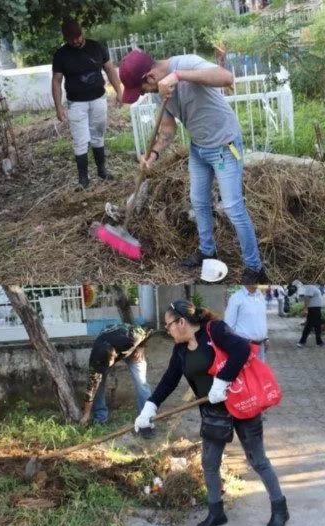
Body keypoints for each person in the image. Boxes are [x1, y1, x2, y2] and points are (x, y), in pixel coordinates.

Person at [134, 300, 288, 526]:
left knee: (257, 460)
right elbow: (169, 380)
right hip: (214, 412)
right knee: (210, 463)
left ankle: (280, 508)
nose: (168, 330)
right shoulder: (181, 350)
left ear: (181, 322)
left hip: (242, 405)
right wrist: (150, 407)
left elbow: (242, 349)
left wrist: (222, 380)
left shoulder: (214, 330)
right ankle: (216, 512)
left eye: (168, 325)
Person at [118, 49, 266, 285]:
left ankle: (255, 267)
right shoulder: (160, 91)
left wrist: (179, 76)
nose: (145, 94)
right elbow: (167, 130)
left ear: (150, 77)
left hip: (224, 145)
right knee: (198, 201)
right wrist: (153, 154)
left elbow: (227, 78)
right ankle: (208, 251)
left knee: (233, 208)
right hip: (199, 148)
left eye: (143, 90)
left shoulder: (186, 64)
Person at [51, 19, 124, 188]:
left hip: (98, 99)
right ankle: (83, 179)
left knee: (98, 134)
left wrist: (119, 92)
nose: (76, 41)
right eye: (72, 39)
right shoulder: (61, 55)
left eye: (78, 36)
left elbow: (110, 70)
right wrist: (58, 107)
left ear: (82, 32)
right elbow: (56, 81)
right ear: (65, 38)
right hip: (76, 104)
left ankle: (101, 170)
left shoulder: (96, 47)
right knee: (80, 139)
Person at [83, 323, 155, 437]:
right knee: (98, 383)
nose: (106, 368)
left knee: (141, 383)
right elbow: (91, 388)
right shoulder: (95, 359)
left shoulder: (131, 337)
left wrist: (141, 347)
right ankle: (100, 418)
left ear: (113, 358)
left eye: (107, 366)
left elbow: (149, 329)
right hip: (108, 342)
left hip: (130, 348)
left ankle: (146, 422)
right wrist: (86, 414)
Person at [224, 285, 269, 362]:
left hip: (260, 347)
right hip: (245, 347)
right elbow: (228, 326)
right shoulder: (236, 297)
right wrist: (239, 345)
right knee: (246, 373)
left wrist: (266, 338)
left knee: (259, 373)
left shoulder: (260, 295)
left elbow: (262, 319)